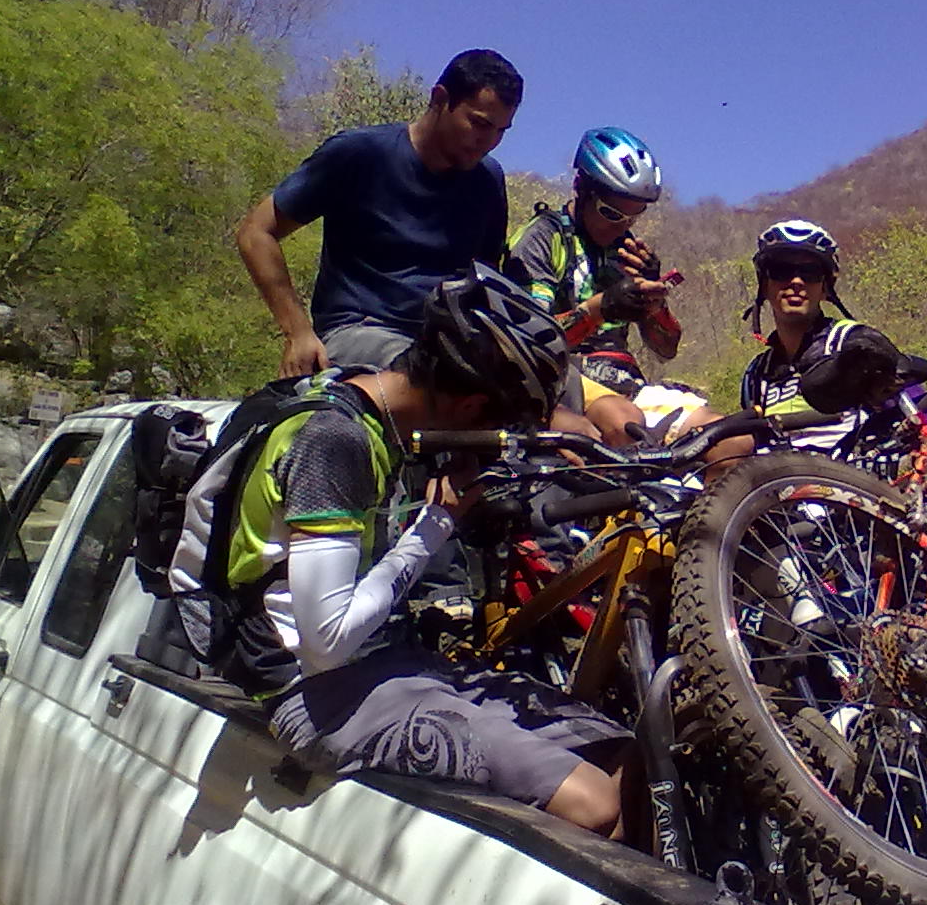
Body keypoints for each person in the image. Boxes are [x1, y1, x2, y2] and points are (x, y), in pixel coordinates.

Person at [168, 265, 633, 835]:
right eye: (499, 423)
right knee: (594, 803)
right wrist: (435, 524)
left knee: (624, 758)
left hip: (393, 664)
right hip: (319, 693)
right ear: (470, 407)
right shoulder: (334, 442)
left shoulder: (368, 403)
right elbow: (327, 641)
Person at [237, 49, 522, 376]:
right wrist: (298, 333)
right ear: (439, 99)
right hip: (359, 330)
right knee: (432, 377)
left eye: (501, 131)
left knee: (546, 382)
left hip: (446, 341)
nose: (489, 141)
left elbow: (485, 279)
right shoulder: (359, 154)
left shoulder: (487, 180)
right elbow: (256, 233)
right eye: (480, 123)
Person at [509, 127, 692, 446]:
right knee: (626, 425)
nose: (622, 225)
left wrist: (654, 304)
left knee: (728, 439)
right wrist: (599, 309)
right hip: (563, 380)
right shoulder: (543, 240)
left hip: (627, 381)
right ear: (580, 187)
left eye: (634, 215)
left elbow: (666, 349)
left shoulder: (628, 250)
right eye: (611, 213)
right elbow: (530, 345)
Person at [737, 219, 905, 453]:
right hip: (777, 472)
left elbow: (918, 411)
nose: (796, 282)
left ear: (825, 288)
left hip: (850, 471)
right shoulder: (756, 375)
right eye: (781, 271)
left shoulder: (853, 342)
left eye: (810, 273)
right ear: (764, 285)